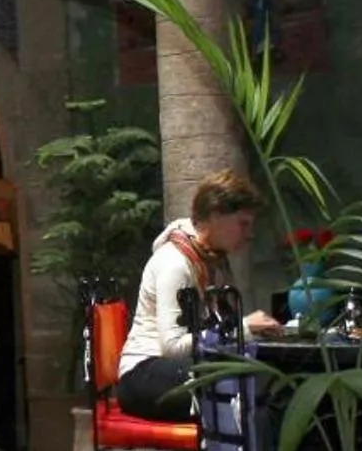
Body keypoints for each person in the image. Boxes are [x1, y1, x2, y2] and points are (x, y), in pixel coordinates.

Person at [114, 169, 283, 421]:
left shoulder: (213, 262)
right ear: (215, 215)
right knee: (232, 386)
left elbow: (219, 330)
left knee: (263, 380)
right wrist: (245, 327)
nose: (249, 234)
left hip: (186, 367)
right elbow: (173, 348)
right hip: (145, 374)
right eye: (243, 224)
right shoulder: (175, 263)